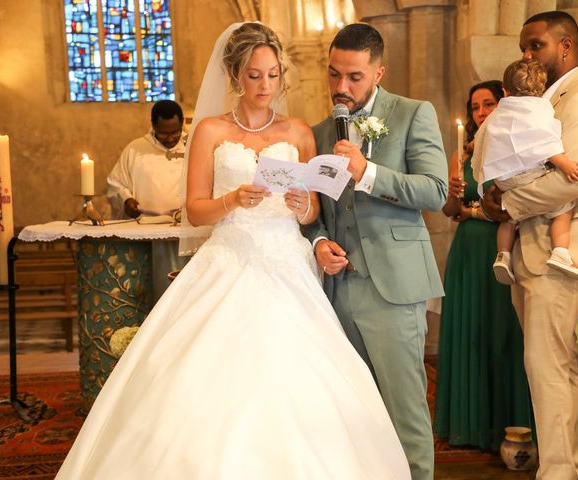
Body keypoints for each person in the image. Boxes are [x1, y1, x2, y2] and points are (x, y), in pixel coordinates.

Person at [56, 22, 411, 480]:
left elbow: (311, 214)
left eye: (273, 75)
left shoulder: (301, 132)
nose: (265, 86)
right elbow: (195, 212)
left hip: (287, 267)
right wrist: (231, 200)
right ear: (235, 76)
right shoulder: (209, 131)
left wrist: (303, 206)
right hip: (228, 260)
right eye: (254, 76)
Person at [303, 23, 448, 480]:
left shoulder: (412, 113)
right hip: (337, 290)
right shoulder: (319, 131)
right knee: (351, 413)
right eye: (333, 75)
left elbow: (435, 191)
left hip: (393, 287)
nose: (341, 88)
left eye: (353, 77)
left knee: (405, 413)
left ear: (379, 72)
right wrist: (318, 242)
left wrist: (369, 173)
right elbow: (315, 211)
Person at [482, 11, 578, 479]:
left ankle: (558, 473)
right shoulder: (532, 100)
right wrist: (490, 192)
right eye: (523, 47)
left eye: (535, 45)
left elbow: (569, 181)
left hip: (569, 248)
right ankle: (560, 467)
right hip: (531, 249)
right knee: (546, 367)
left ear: (567, 46)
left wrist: (508, 203)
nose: (526, 55)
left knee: (549, 368)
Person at [434, 80, 533, 452]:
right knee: (472, 335)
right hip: (466, 254)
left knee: (505, 335)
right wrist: (452, 192)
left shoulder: (515, 146)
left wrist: (471, 211)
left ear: (502, 104)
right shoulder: (462, 155)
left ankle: (510, 423)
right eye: (475, 107)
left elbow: (511, 209)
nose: (480, 113)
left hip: (502, 253)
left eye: (487, 104)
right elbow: (450, 213)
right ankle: (472, 426)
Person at [472, 59, 578, 285]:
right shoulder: (539, 109)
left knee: (509, 216)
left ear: (504, 91)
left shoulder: (499, 113)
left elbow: (481, 139)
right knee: (563, 209)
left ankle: (502, 255)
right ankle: (561, 253)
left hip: (504, 179)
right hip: (528, 175)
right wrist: (565, 164)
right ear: (541, 88)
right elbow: (543, 142)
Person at [106, 99, 189, 301]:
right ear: (153, 126)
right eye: (164, 133)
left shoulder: (194, 146)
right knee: (155, 289)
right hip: (147, 233)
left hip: (185, 230)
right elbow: (115, 183)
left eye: (175, 132)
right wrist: (126, 200)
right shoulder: (135, 150)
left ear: (182, 125)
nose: (170, 139)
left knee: (183, 290)